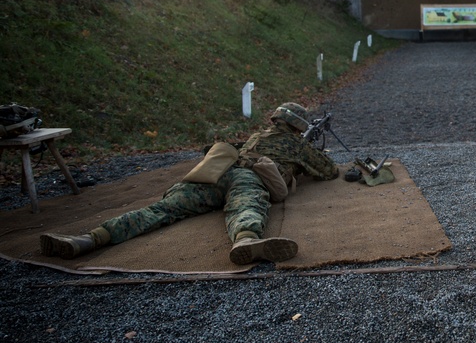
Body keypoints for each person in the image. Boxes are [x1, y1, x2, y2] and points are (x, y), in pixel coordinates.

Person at [39, 102, 340, 265]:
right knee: (247, 205)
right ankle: (247, 240)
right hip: (248, 176)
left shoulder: (255, 137)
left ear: (275, 119)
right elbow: (328, 171)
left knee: (165, 208)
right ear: (298, 126)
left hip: (217, 171)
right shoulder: (295, 144)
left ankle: (89, 239)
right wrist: (305, 157)